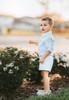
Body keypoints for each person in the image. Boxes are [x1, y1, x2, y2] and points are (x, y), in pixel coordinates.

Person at [29, 17, 54, 96]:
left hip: (46, 58)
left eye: (45, 25)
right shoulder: (44, 36)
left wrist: (43, 57)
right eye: (41, 25)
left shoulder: (49, 37)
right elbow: (41, 45)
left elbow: (49, 49)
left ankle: (46, 92)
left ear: (51, 26)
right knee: (43, 74)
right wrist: (34, 42)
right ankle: (46, 90)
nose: (42, 27)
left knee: (45, 74)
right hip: (44, 58)